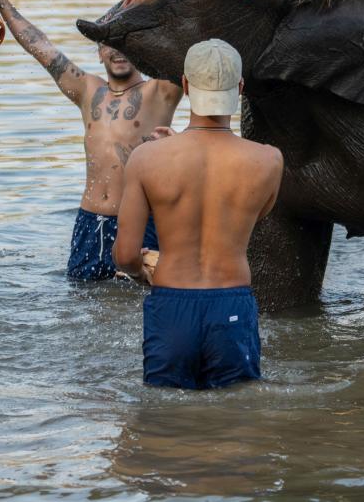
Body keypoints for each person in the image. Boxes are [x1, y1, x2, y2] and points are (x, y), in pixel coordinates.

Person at [0, 0, 184, 280]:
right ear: (99, 51)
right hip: (89, 222)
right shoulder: (88, 91)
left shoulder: (160, 91)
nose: (117, 51)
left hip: (138, 222)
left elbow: (189, 53)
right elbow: (41, 47)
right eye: (109, 43)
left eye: (125, 42)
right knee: (82, 300)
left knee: (136, 304)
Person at [113, 38, 283, 391]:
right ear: (239, 88)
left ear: (187, 86)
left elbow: (125, 256)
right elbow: (256, 213)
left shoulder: (148, 159)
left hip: (172, 305)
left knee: (163, 419)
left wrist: (143, 266)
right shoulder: (268, 161)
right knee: (236, 417)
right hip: (231, 305)